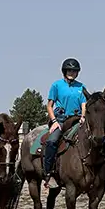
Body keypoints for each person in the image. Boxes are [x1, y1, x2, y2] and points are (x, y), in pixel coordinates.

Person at [43, 58, 87, 189]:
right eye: (69, 70)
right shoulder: (56, 85)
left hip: (77, 119)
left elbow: (84, 104)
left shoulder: (81, 87)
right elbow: (49, 106)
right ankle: (48, 173)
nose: (71, 73)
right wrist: (54, 121)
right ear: (64, 71)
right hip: (61, 120)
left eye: (74, 71)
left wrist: (83, 117)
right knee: (52, 141)